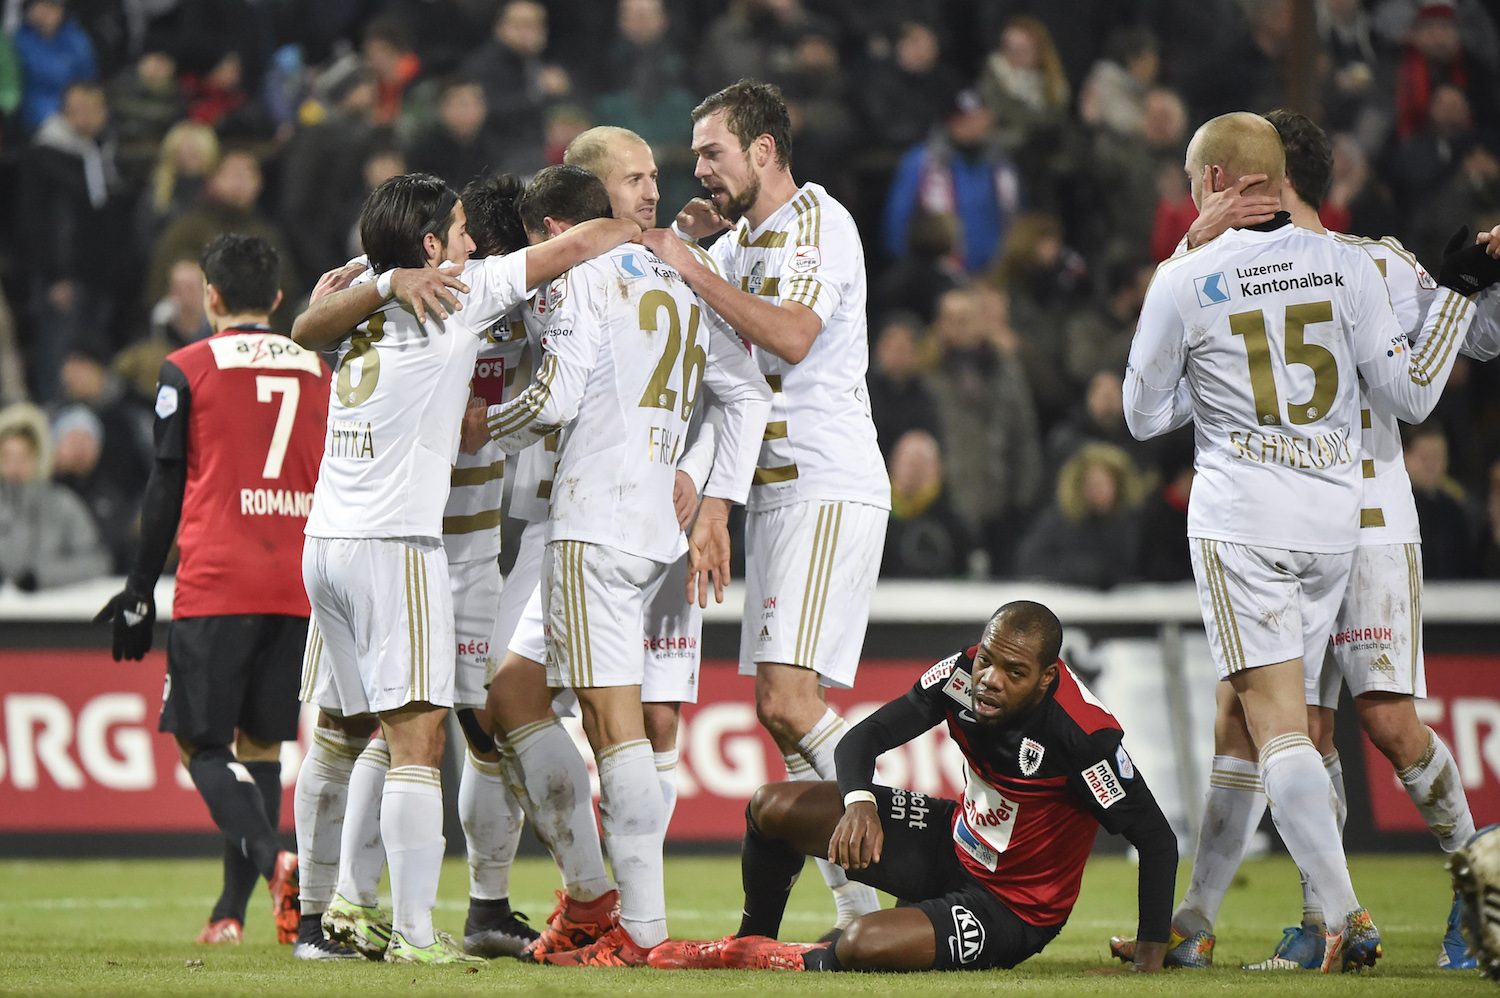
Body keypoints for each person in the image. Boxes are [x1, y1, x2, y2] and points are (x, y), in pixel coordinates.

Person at [1115, 108, 1498, 973]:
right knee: (1282, 724)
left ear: (1252, 178)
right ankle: (1293, 915)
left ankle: (1470, 889)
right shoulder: (1346, 269)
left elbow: (1467, 344)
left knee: (1379, 722)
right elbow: (1416, 375)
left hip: (1355, 519)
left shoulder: (1376, 261)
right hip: (1326, 515)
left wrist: (1473, 288)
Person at [287, 172, 637, 965]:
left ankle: (341, 916)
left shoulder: (359, 306)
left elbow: (308, 326)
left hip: (330, 544)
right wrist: (642, 227)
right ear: (436, 246)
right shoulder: (467, 290)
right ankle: (408, 933)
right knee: (413, 740)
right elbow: (581, 242)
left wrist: (381, 280)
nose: (477, 243)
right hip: (398, 545)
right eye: (462, 231)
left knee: (366, 732)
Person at [475, 164, 770, 966]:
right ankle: (593, 899)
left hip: (591, 516)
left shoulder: (571, 278)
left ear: (547, 233)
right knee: (514, 690)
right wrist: (712, 496)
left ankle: (635, 929)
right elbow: (749, 396)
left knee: (614, 729)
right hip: (652, 528)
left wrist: (483, 426)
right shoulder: (676, 277)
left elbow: (559, 396)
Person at [643, 79, 891, 934]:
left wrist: (691, 267)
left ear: (763, 150)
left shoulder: (820, 220)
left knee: (788, 703)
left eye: (712, 152)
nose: (699, 169)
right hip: (773, 497)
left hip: (825, 480)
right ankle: (861, 913)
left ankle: (919, 855)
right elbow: (733, 391)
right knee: (784, 723)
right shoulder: (741, 241)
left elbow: (790, 336)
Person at [648, 601, 1177, 973]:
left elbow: (1156, 840)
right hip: (954, 841)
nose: (989, 679)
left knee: (862, 944)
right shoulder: (963, 675)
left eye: (1013, 671)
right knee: (772, 806)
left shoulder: (1084, 738)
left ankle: (788, 960)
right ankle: (748, 942)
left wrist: (1149, 958)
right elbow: (867, 736)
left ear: (1046, 678)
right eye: (988, 659)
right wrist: (859, 802)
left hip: (1012, 906)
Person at [92, 235, 328, 951]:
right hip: (298, 578)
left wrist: (138, 588)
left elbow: (166, 481)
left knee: (199, 741)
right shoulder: (318, 367)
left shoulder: (187, 367)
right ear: (280, 300)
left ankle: (271, 862)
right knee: (258, 748)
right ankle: (230, 914)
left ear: (212, 296)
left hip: (220, 575)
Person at [0, 400, 108, 589]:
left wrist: (40, 577)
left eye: (23, 457)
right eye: (7, 456)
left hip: (54, 614)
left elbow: (96, 561)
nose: (15, 466)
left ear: (39, 456)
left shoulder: (63, 505)